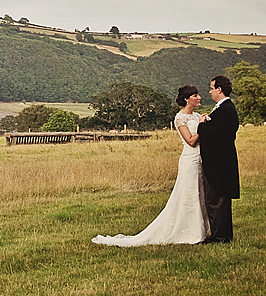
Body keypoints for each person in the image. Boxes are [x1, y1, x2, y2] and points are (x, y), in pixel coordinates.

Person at [91, 85, 210, 247]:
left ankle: (200, 230)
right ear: (186, 99)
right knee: (187, 194)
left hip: (202, 159)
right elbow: (190, 141)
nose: (199, 97)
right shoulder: (180, 118)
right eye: (195, 95)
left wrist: (206, 122)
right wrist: (202, 126)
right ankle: (187, 232)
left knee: (200, 193)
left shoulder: (197, 116)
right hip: (190, 160)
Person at [199, 74, 240, 243]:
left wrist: (202, 124)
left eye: (211, 88)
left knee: (216, 199)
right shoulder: (225, 109)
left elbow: (214, 135)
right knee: (220, 200)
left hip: (219, 163)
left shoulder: (225, 110)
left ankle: (219, 236)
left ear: (219, 90)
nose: (209, 92)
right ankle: (223, 234)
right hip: (223, 161)